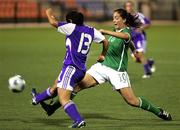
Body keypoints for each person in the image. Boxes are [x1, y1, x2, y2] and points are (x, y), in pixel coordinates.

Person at [32, 8, 172, 123]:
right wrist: (133, 50)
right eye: (113, 17)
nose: (114, 20)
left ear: (124, 20)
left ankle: (159, 111)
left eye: (117, 18)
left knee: (132, 101)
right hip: (101, 68)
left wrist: (105, 31)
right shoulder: (116, 33)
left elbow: (126, 38)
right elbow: (128, 43)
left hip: (117, 72)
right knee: (77, 86)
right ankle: (52, 108)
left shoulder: (126, 32)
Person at [31, 8, 109, 128]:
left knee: (63, 98)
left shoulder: (71, 27)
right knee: (55, 86)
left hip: (71, 68)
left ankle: (78, 120)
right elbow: (105, 41)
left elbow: (53, 22)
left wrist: (48, 11)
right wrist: (103, 54)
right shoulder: (91, 30)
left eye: (68, 21)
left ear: (71, 21)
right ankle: (37, 99)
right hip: (81, 69)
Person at [124, 1, 155, 78]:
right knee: (136, 59)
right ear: (125, 8)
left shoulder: (139, 15)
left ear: (133, 6)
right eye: (127, 6)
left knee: (140, 55)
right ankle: (149, 62)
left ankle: (148, 73)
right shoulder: (124, 18)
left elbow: (148, 23)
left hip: (140, 37)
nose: (129, 7)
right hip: (131, 39)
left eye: (130, 6)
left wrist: (142, 27)